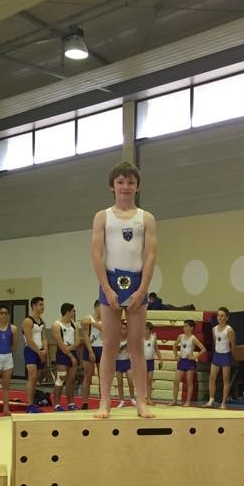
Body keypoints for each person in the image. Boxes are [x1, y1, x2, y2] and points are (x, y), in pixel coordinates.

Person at [91, 161, 158, 419]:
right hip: (110, 279)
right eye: (120, 182)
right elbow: (96, 254)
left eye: (130, 182)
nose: (125, 187)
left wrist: (142, 290)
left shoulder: (147, 218)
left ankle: (141, 401)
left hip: (137, 281)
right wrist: (107, 289)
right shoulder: (102, 217)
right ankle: (104, 402)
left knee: (136, 346)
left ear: (137, 186)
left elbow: (151, 256)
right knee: (109, 344)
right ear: (112, 187)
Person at [204, 306, 235, 409]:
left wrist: (233, 358)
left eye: (222, 316)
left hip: (226, 356)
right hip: (217, 355)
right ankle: (211, 400)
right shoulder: (214, 329)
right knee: (212, 378)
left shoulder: (229, 330)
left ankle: (223, 403)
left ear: (227, 317)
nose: (220, 318)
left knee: (225, 379)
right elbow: (215, 342)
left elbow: (233, 345)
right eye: (218, 315)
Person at [52, 303, 80, 411]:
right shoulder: (56, 325)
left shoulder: (74, 325)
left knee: (71, 381)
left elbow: (77, 340)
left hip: (72, 352)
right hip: (62, 354)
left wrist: (70, 349)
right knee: (60, 379)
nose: (74, 313)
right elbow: (59, 343)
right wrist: (70, 355)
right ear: (67, 311)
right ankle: (57, 404)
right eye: (73, 311)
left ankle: (71, 403)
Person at [171, 320, 205, 407]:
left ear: (191, 328)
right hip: (182, 361)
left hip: (189, 362)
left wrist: (194, 357)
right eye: (184, 326)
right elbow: (174, 345)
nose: (184, 328)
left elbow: (203, 349)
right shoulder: (181, 336)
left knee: (189, 381)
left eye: (186, 326)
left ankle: (188, 402)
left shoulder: (193, 338)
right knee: (176, 381)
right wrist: (176, 355)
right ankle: (174, 400)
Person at [23, 297, 48, 414]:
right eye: (40, 304)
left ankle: (32, 403)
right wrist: (39, 352)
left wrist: (45, 350)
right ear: (33, 306)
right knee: (32, 377)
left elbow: (44, 338)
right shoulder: (28, 321)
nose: (43, 307)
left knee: (35, 379)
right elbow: (29, 340)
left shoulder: (42, 321)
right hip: (30, 351)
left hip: (40, 352)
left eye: (43, 304)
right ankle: (29, 405)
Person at [80, 301, 103, 410]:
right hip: (90, 348)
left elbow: (105, 329)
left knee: (102, 377)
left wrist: (93, 323)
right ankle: (85, 402)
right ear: (96, 307)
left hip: (102, 348)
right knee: (87, 376)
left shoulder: (105, 319)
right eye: (102, 307)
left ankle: (103, 401)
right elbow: (85, 335)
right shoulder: (87, 318)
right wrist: (90, 351)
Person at [114, 318, 134, 407]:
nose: (123, 331)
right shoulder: (115, 340)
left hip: (127, 362)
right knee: (119, 382)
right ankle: (121, 400)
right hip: (118, 362)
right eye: (121, 329)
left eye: (124, 329)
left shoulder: (129, 340)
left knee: (130, 381)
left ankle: (132, 398)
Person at [143, 322, 162, 404]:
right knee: (141, 381)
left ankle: (149, 399)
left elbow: (156, 349)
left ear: (150, 330)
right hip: (142, 362)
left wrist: (160, 359)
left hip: (150, 361)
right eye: (144, 328)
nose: (144, 330)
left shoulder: (153, 338)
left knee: (149, 381)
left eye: (146, 329)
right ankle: (142, 398)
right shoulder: (140, 338)